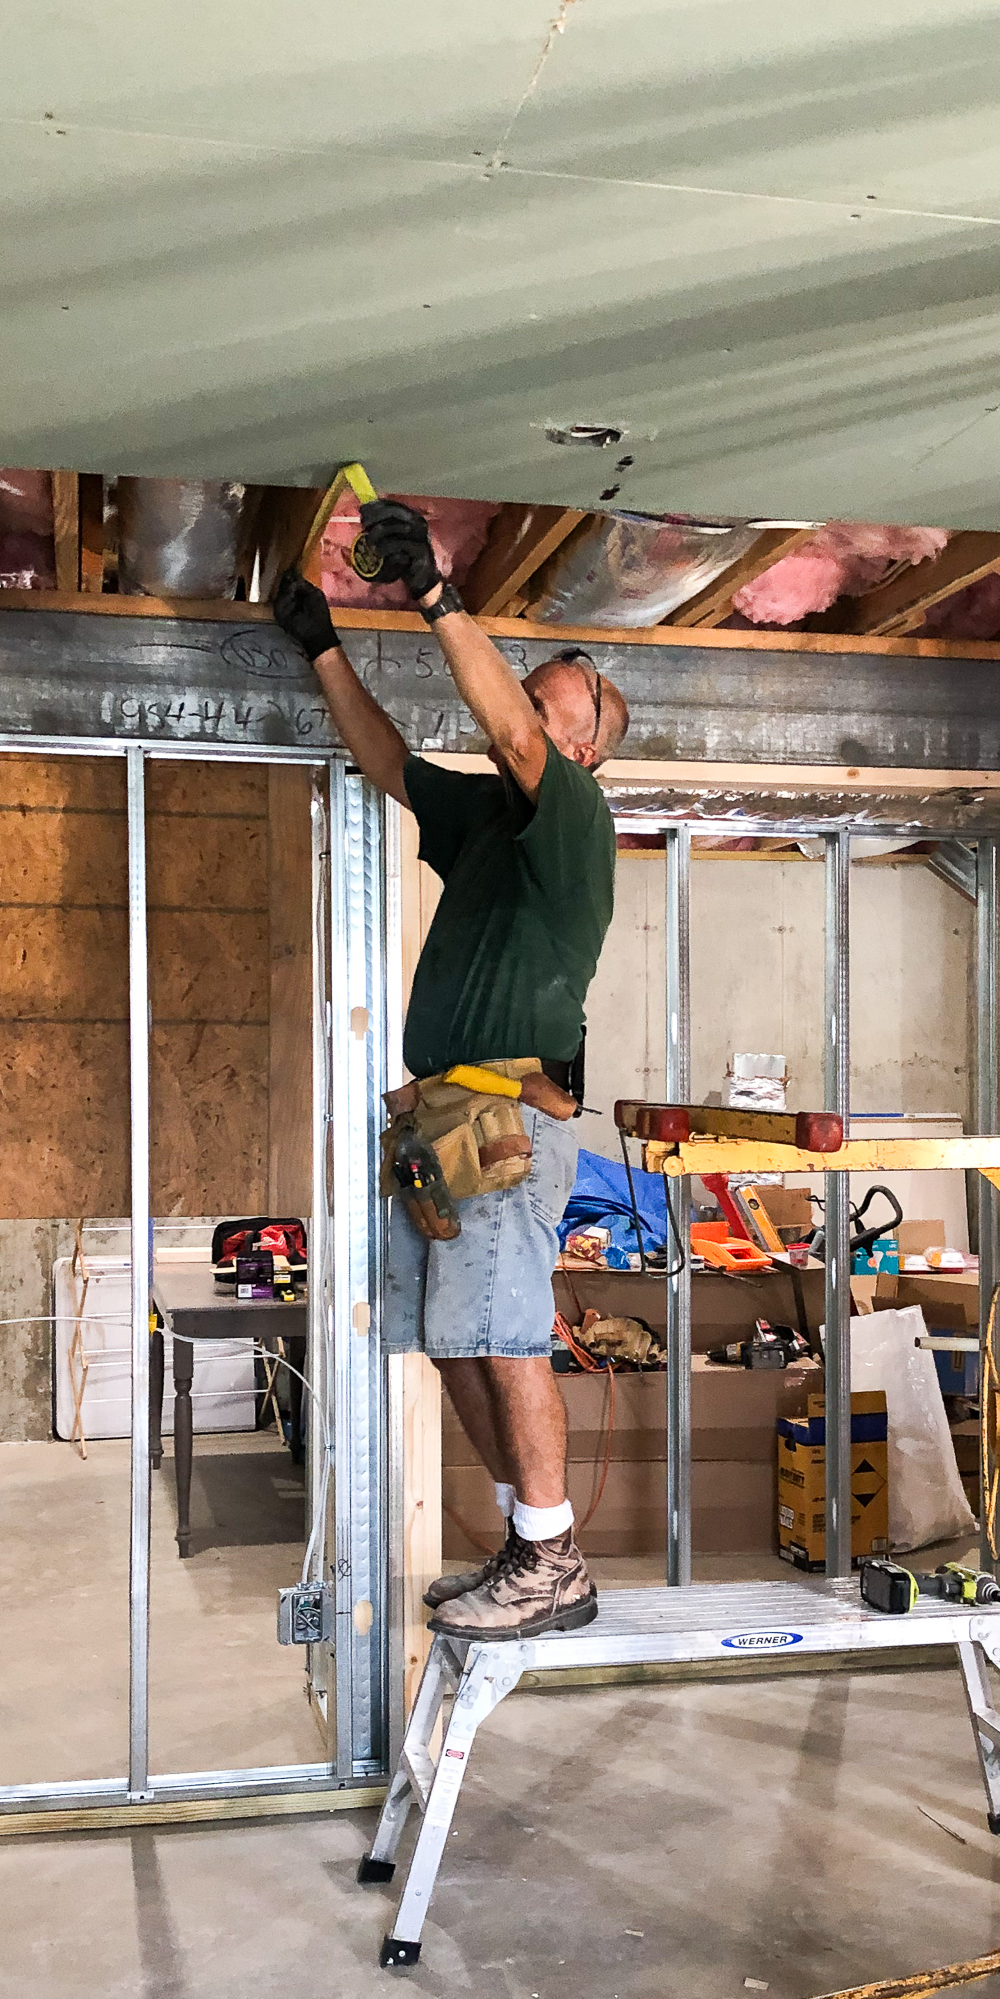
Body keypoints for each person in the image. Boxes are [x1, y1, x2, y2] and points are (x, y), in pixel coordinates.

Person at [270, 501, 627, 1639]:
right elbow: (384, 759)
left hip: (506, 1121)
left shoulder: (569, 812)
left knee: (507, 1333)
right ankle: (534, 1542)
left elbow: (515, 739)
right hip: (448, 1118)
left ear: (579, 748)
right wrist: (322, 643)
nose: (522, 706)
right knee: (458, 1333)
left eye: (545, 701)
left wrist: (434, 593)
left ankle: (552, 1556)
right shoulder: (485, 818)